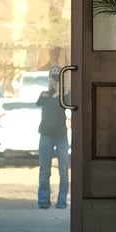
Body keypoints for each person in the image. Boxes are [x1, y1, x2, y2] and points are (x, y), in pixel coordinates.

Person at [36, 69, 69, 209]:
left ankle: (61, 201)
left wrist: (63, 91)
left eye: (57, 78)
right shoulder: (45, 95)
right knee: (44, 170)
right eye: (53, 78)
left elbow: (69, 106)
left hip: (61, 135)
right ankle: (43, 200)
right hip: (46, 135)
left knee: (63, 169)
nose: (55, 81)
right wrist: (51, 90)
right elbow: (38, 103)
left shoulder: (66, 96)